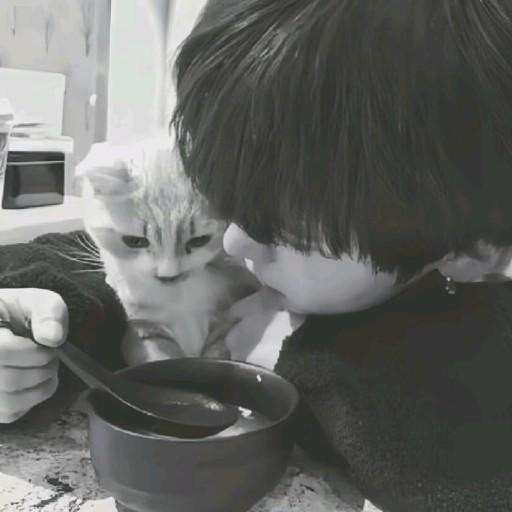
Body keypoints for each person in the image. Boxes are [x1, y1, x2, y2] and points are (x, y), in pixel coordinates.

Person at [2, 0, 512, 509]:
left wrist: (296, 361)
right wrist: (44, 313)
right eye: (228, 205)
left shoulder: (478, 366)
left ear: (470, 252)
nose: (233, 243)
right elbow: (78, 264)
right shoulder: (302, 259)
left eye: (291, 235)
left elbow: (453, 465)